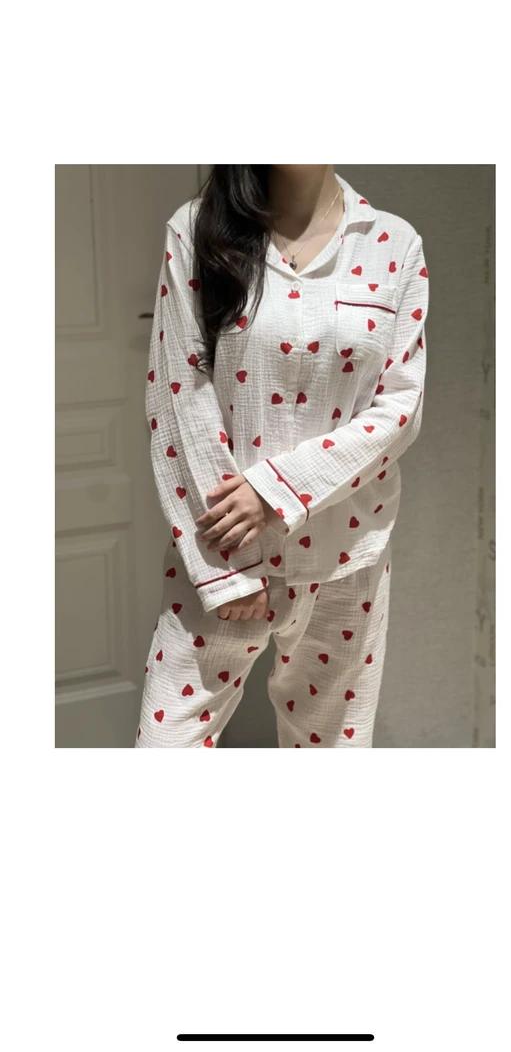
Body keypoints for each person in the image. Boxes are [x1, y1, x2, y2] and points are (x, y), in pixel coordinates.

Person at [135, 165, 429, 748]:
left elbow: (401, 405)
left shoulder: (393, 243)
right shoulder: (195, 229)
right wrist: (227, 571)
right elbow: (178, 392)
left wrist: (276, 490)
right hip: (220, 548)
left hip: (346, 555)